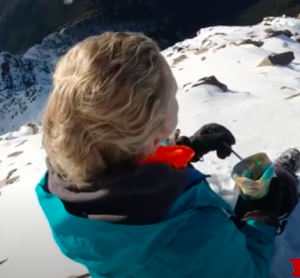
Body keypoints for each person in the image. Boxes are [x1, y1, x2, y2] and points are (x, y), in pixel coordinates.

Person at [35, 32, 299, 278]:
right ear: (154, 130)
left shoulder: (57, 186)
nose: (175, 100)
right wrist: (260, 216)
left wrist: (184, 149)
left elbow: (120, 167)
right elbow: (250, 272)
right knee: (281, 187)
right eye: (172, 95)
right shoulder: (195, 233)